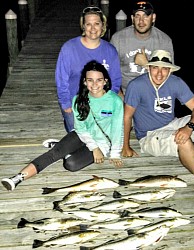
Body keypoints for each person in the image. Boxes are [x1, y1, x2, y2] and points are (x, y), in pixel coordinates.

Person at [122, 49, 194, 213]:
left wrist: (189, 127)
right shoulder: (136, 86)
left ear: (170, 69)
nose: (159, 73)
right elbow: (127, 116)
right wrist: (126, 146)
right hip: (150, 136)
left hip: (171, 124)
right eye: (155, 67)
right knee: (184, 141)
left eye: (164, 68)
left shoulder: (175, 82)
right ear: (149, 67)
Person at [1, 60, 124, 191]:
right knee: (54, 154)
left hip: (102, 142)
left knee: (71, 164)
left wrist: (115, 153)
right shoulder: (78, 99)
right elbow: (81, 128)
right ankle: (17, 178)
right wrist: (94, 148)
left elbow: (117, 129)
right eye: (90, 80)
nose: (94, 84)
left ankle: (63, 147)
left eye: (99, 80)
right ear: (84, 81)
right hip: (82, 135)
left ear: (105, 81)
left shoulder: (114, 101)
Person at [56, 6, 122, 133]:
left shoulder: (110, 50)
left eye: (97, 24)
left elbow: (115, 81)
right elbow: (61, 80)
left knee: (103, 136)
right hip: (75, 101)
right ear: (83, 26)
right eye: (88, 24)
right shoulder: (69, 48)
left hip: (101, 101)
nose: (93, 28)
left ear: (103, 26)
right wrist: (66, 104)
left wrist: (107, 101)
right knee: (78, 138)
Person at [110, 1, 174, 97]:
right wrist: (120, 97)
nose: (141, 21)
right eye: (137, 16)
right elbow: (109, 72)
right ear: (132, 18)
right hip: (124, 93)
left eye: (146, 16)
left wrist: (146, 64)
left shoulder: (164, 41)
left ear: (153, 18)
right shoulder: (118, 39)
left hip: (154, 94)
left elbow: (169, 75)